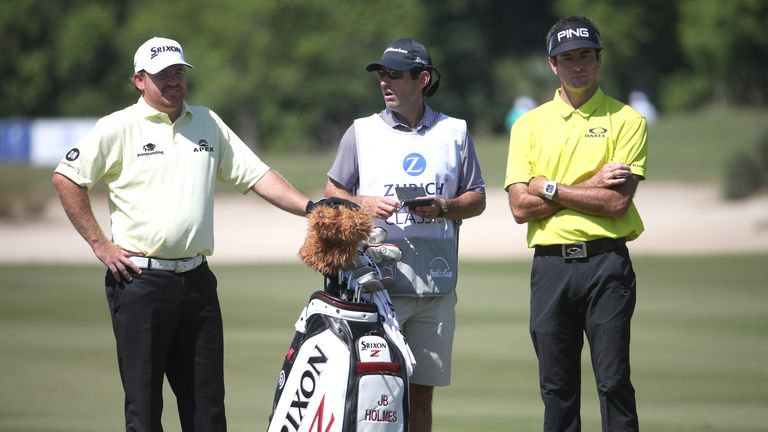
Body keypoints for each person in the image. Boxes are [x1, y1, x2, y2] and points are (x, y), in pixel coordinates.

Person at [51, 36, 314, 431]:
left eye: (178, 72)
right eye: (162, 75)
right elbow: (67, 178)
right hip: (139, 282)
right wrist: (100, 245)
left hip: (197, 282)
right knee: (144, 409)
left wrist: (311, 208)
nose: (173, 81)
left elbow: (258, 176)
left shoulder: (207, 122)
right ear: (139, 80)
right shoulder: (117, 127)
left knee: (207, 409)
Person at [324, 38, 486, 431]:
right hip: (377, 289)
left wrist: (444, 207)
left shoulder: (455, 132)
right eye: (382, 74)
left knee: (421, 397)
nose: (385, 82)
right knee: (376, 396)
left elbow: (477, 198)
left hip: (435, 286)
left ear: (423, 78)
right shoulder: (361, 132)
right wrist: (362, 202)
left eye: (394, 75)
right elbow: (332, 193)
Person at [504, 17, 647, 431]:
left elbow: (616, 203)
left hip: (607, 264)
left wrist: (547, 187)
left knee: (614, 381)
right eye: (567, 58)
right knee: (556, 388)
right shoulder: (528, 124)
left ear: (599, 59)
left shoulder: (627, 120)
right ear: (553, 65)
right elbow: (519, 208)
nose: (577, 65)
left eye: (585, 55)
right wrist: (588, 185)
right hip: (550, 268)